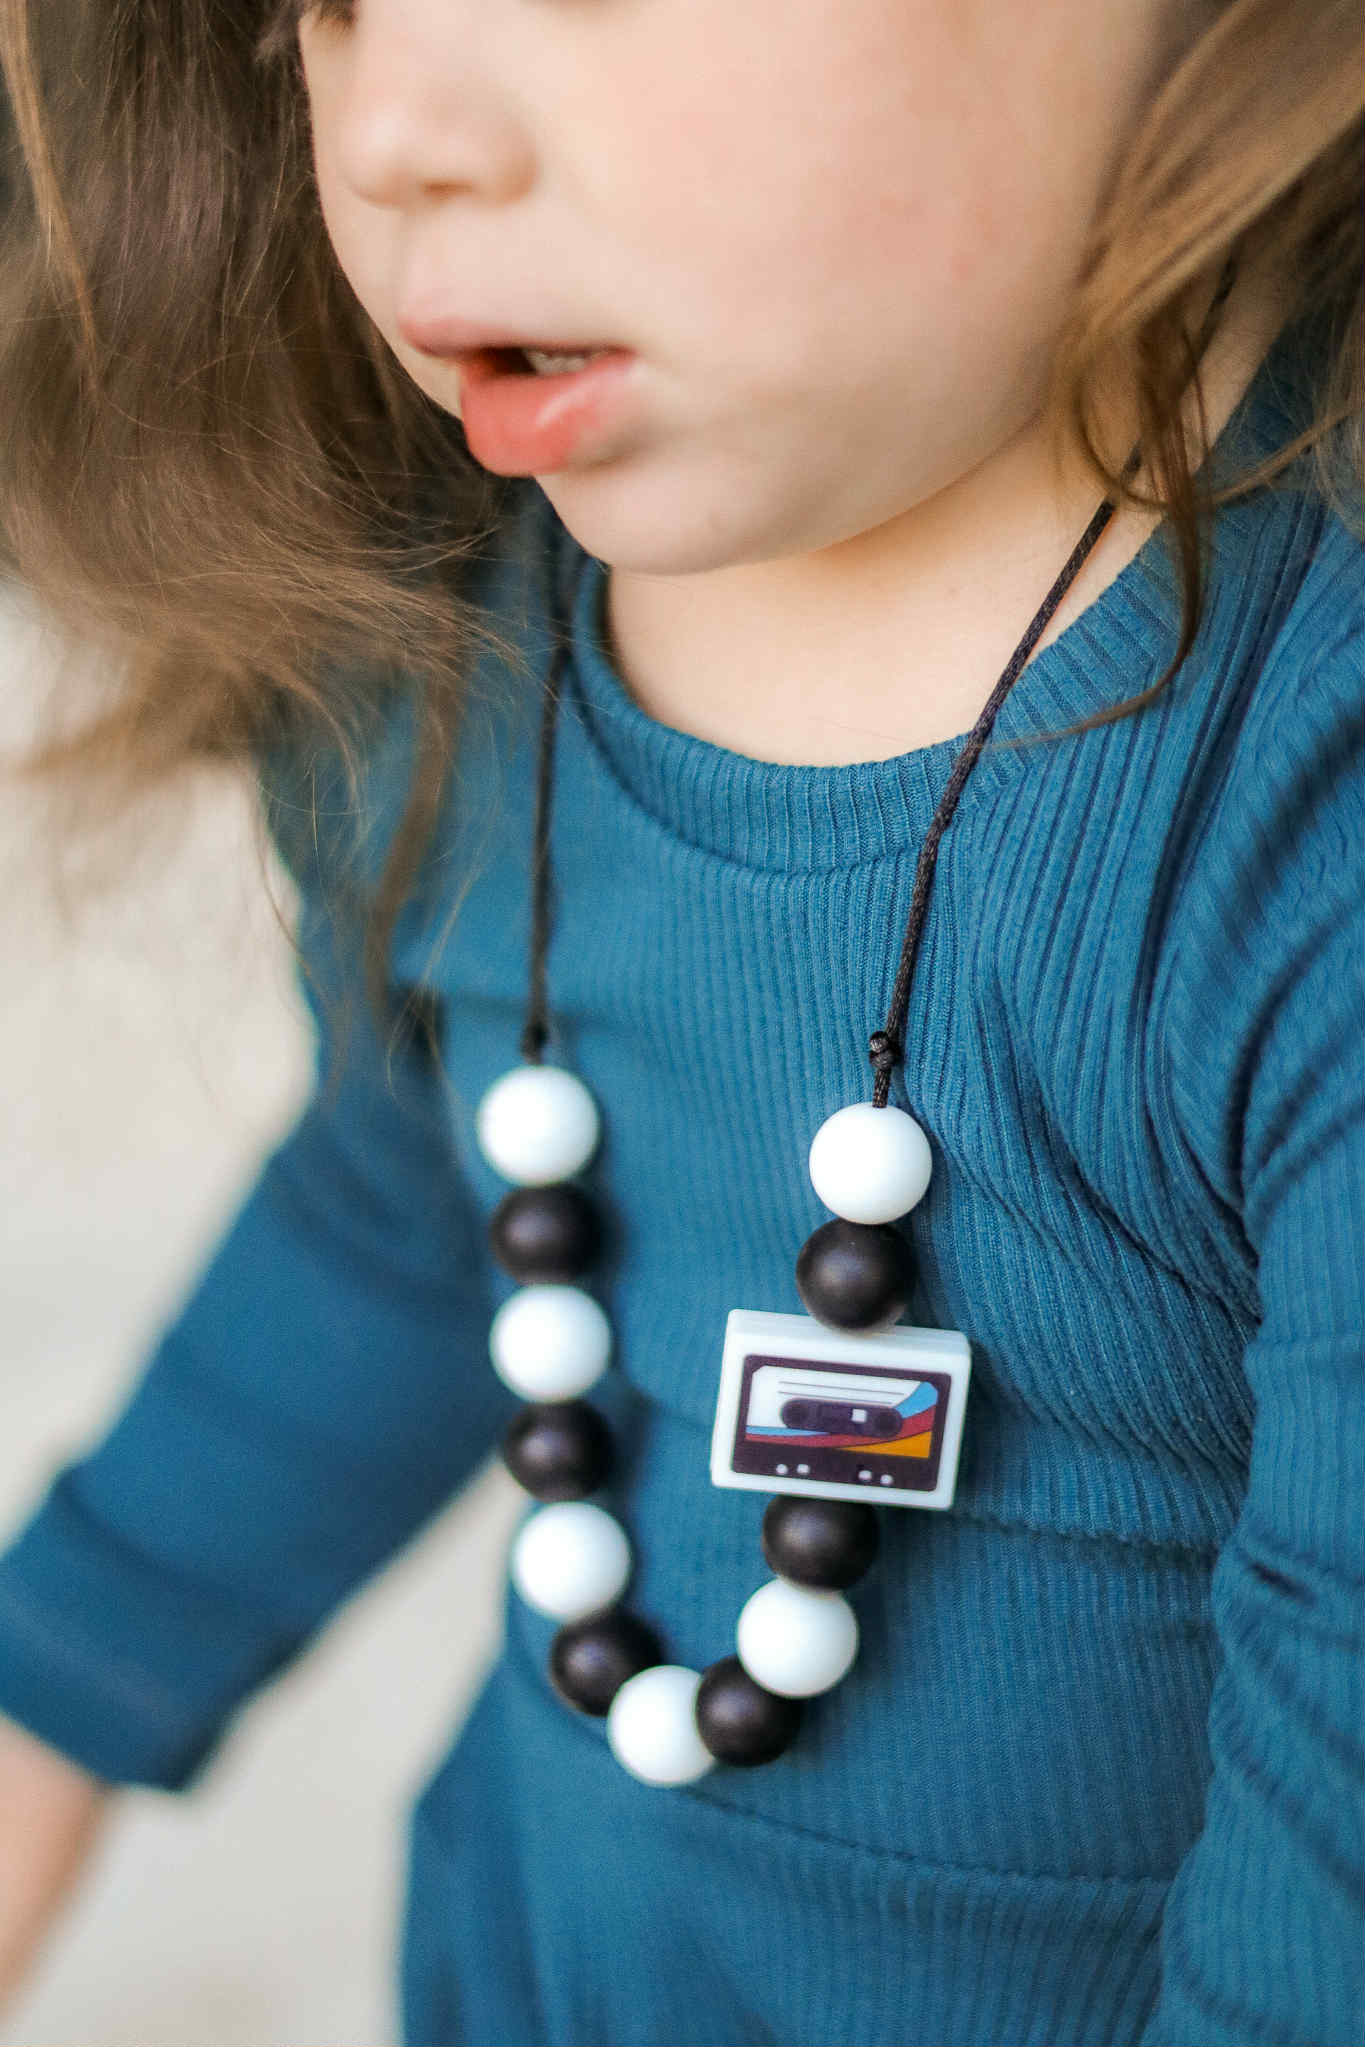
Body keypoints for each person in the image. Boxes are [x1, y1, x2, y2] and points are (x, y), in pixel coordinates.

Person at [0, 1, 1360, 2042]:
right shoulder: (461, 644)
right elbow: (410, 1206)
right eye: (332, 4)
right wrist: (55, 1691)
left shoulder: (1296, 808)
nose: (402, 139)